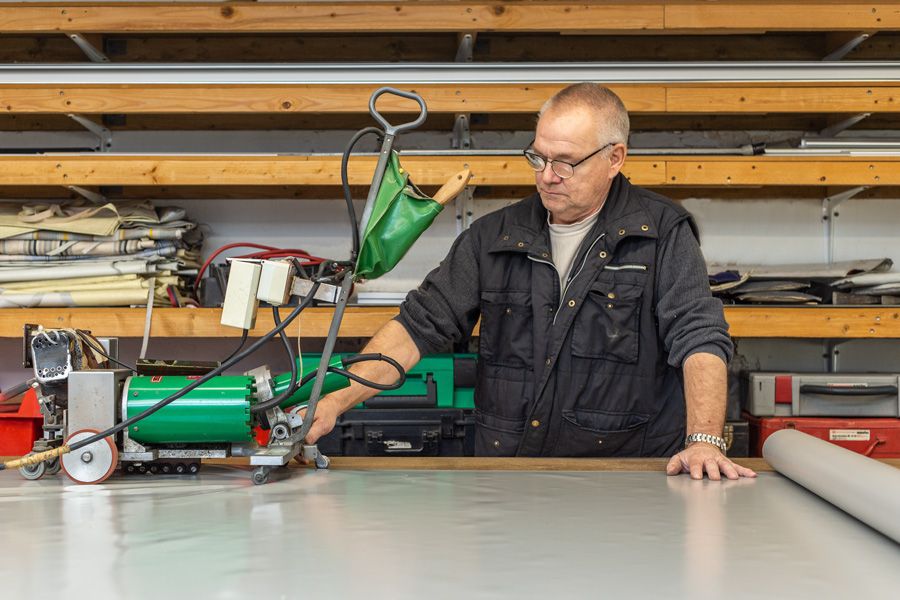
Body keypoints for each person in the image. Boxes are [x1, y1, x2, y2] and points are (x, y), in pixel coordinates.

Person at [305, 82, 756, 480]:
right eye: (538, 156)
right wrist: (333, 402)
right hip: (509, 473)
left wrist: (704, 440)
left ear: (615, 157)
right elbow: (418, 326)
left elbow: (699, 338)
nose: (546, 175)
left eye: (565, 162)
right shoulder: (494, 236)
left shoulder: (662, 233)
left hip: (623, 477)